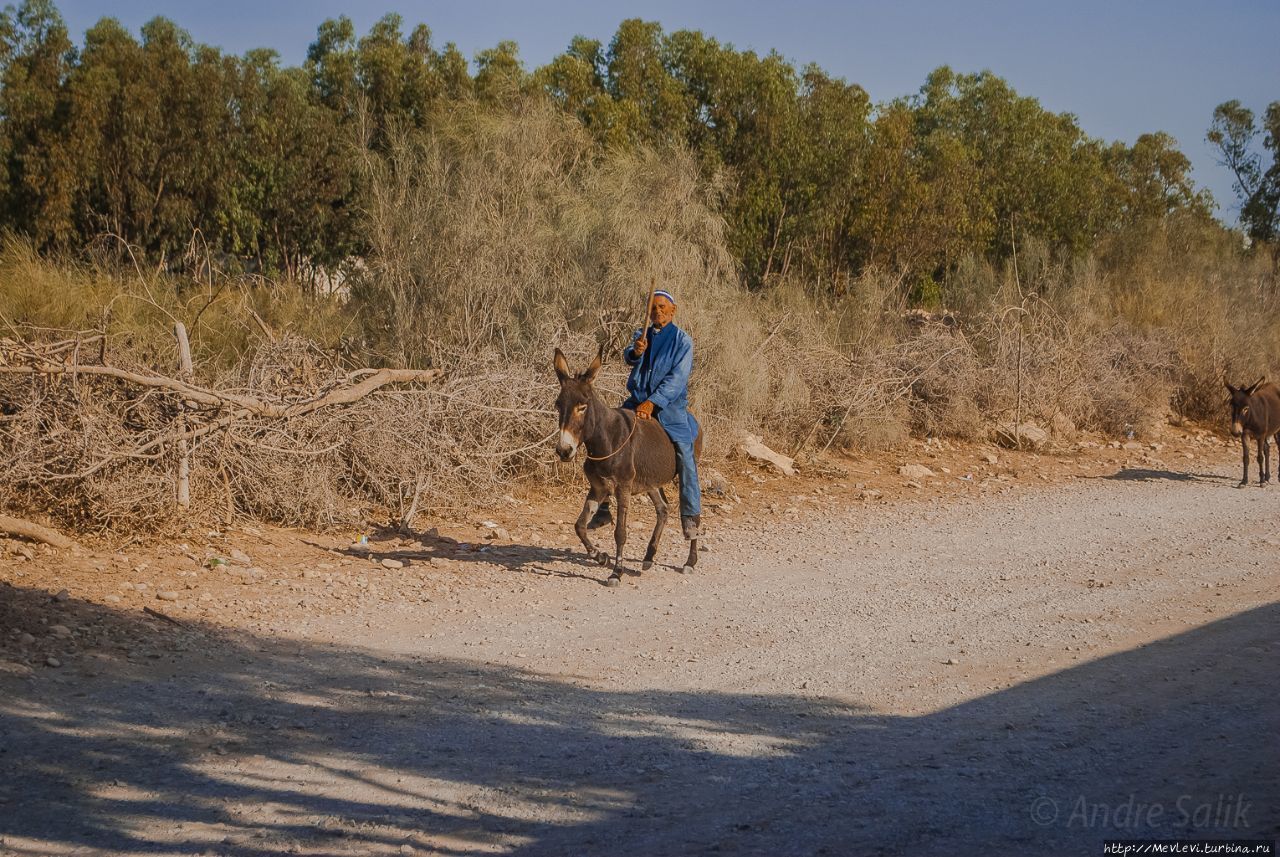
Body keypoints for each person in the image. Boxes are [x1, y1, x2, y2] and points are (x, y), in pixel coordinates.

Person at [589, 289, 702, 540]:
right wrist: (636, 352)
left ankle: (690, 516)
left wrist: (653, 403)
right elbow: (629, 356)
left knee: (685, 452)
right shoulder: (642, 335)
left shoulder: (683, 341)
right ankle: (603, 506)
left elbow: (676, 379)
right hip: (635, 401)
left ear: (673, 310)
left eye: (662, 307)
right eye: (653, 308)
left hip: (669, 407)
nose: (657, 311)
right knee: (604, 438)